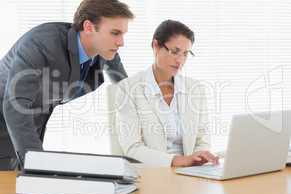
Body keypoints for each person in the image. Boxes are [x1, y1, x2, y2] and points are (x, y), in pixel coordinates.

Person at [0, 0, 134, 170]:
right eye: (115, 33)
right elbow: (14, 103)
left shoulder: (103, 49)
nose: (121, 42)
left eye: (123, 34)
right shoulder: (41, 44)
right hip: (6, 113)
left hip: (33, 118)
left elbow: (124, 85)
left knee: (26, 182)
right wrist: (36, 165)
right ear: (88, 27)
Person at [115, 20, 219, 167]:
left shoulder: (196, 88)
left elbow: (202, 140)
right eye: (175, 52)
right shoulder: (128, 89)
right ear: (156, 46)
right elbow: (132, 148)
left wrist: (198, 158)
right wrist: (179, 161)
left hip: (190, 172)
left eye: (185, 54)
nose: (180, 60)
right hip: (153, 173)